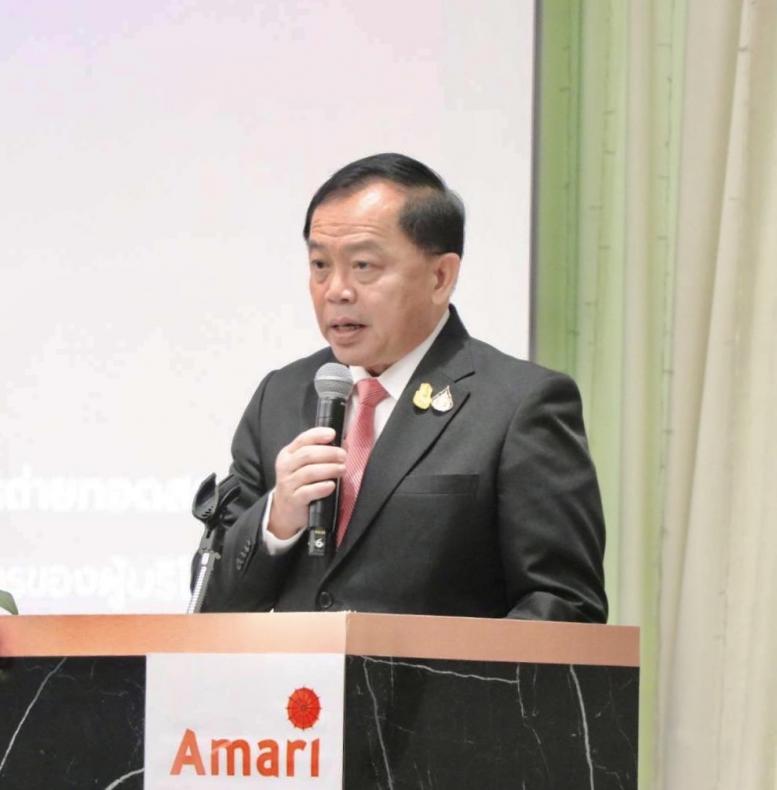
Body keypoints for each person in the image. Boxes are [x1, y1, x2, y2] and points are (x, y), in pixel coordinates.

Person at [198, 153, 607, 622]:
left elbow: (564, 607)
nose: (336, 290)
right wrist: (277, 518)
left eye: (364, 265)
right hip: (302, 674)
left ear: (440, 277)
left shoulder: (519, 405)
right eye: (320, 265)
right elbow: (210, 606)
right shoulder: (282, 396)